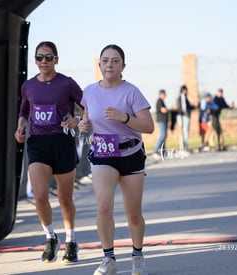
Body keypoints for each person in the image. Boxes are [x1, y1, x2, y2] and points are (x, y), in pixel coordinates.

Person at [79, 44, 154, 275]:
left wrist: (124, 118)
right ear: (99, 65)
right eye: (105, 60)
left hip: (131, 154)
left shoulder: (131, 92)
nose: (109, 64)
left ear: (123, 66)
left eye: (114, 60)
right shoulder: (89, 91)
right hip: (103, 153)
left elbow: (149, 127)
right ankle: (108, 259)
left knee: (133, 213)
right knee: (103, 206)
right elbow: (85, 120)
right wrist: (83, 125)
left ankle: (137, 256)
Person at [14, 41, 83, 263]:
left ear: (56, 59)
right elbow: (24, 109)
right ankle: (50, 236)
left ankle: (71, 241)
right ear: (35, 60)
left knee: (65, 198)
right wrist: (21, 126)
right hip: (38, 144)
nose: (44, 61)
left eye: (49, 57)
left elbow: (87, 105)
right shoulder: (28, 86)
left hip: (62, 143)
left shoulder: (67, 84)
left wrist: (78, 119)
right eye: (40, 57)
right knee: (40, 195)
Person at [174, 85, 195, 152]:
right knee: (184, 132)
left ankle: (184, 146)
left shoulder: (182, 98)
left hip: (182, 115)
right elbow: (184, 107)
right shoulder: (182, 97)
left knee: (184, 132)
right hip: (183, 116)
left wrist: (193, 107)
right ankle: (184, 147)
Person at [153, 89, 168, 159]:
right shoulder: (159, 101)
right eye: (164, 94)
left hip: (164, 121)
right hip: (161, 121)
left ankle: (163, 152)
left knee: (164, 137)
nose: (165, 95)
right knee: (162, 136)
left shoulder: (162, 101)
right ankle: (155, 151)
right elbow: (163, 110)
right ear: (161, 94)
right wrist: (170, 109)